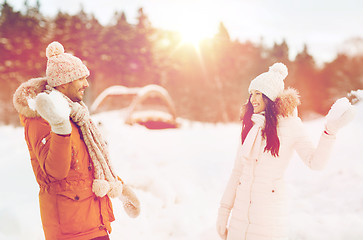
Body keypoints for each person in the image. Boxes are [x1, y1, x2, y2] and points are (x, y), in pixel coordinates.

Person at [13, 41, 140, 240]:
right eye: (81, 78)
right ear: (63, 82)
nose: (86, 84)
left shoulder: (77, 115)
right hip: (70, 230)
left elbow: (90, 164)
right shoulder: (40, 118)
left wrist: (120, 187)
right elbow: (56, 172)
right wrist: (60, 128)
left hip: (95, 223)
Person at [216, 63, 356, 240]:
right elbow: (237, 172)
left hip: (267, 219)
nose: (253, 99)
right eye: (251, 93)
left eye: (258, 93)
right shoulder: (250, 126)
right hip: (239, 220)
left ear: (270, 96)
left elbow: (316, 163)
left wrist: (330, 131)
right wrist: (224, 211)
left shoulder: (291, 125)